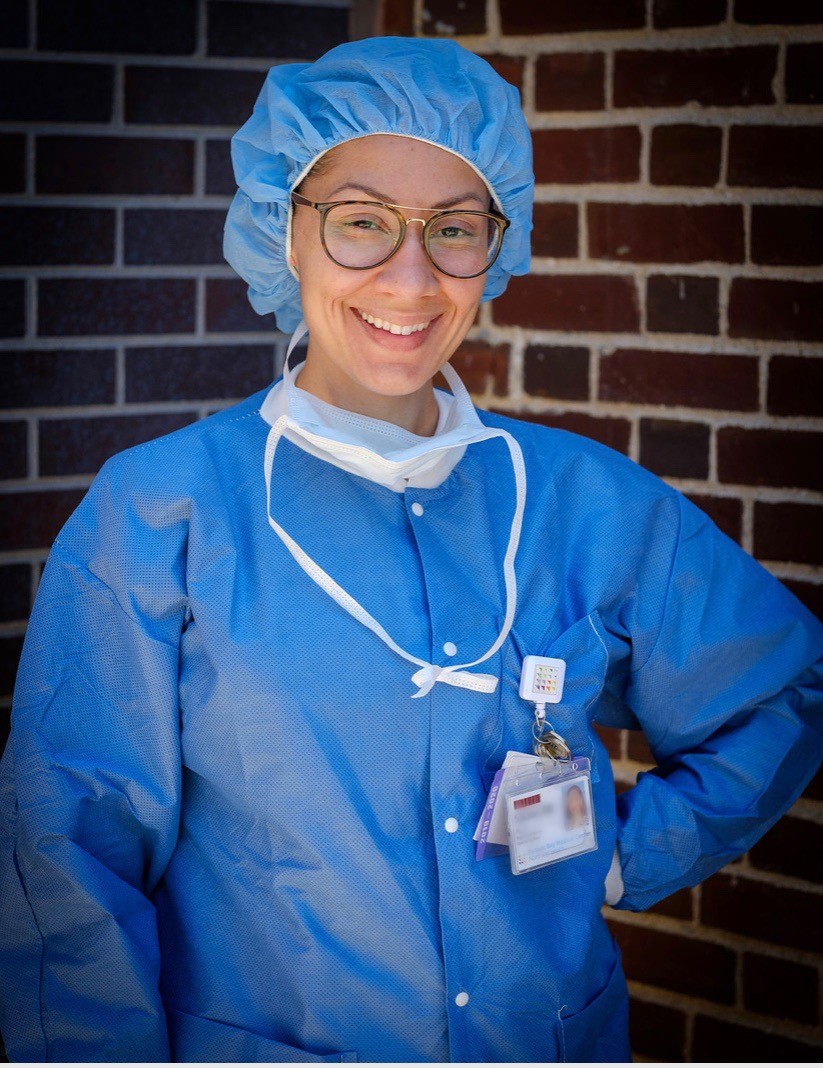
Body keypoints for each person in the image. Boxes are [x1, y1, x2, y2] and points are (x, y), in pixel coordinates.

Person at [0, 35, 821, 1064]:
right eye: (361, 222)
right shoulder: (160, 512)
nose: (410, 275)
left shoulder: (585, 501)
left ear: (496, 249)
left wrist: (618, 853)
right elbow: (69, 859)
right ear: (284, 231)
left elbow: (778, 690)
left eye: (453, 229)